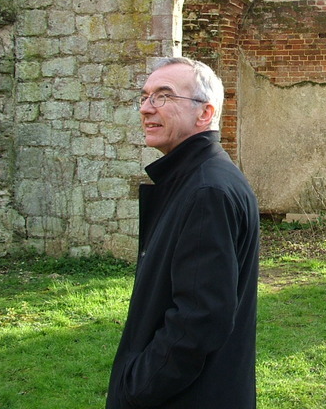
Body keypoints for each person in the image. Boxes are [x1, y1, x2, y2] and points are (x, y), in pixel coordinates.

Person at [107, 57, 260, 409]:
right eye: (145, 97)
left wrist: (136, 386)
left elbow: (199, 321)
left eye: (163, 96)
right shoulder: (193, 179)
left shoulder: (208, 190)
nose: (146, 108)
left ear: (204, 114)